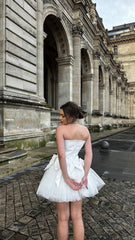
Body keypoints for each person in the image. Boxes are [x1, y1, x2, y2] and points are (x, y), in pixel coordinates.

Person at [37, 101, 105, 240]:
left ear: (70, 116)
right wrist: (85, 175)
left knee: (63, 218)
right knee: (77, 215)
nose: (60, 118)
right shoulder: (85, 131)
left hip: (62, 170)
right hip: (78, 169)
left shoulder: (61, 129)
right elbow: (89, 154)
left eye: (62, 115)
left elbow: (62, 155)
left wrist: (66, 178)